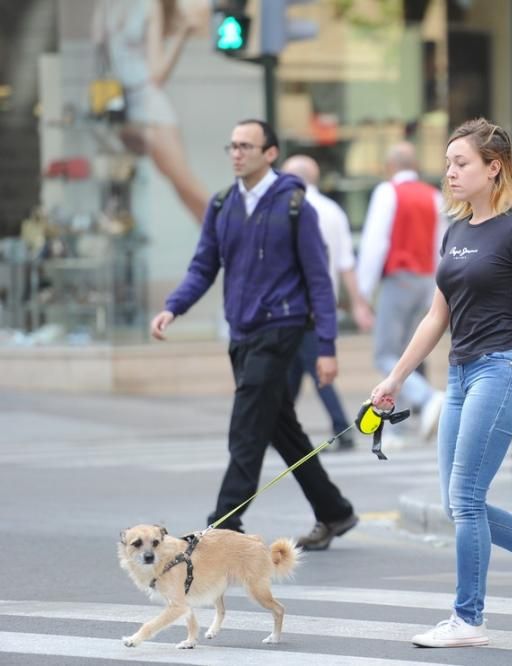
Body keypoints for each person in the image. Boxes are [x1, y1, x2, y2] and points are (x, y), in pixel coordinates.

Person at [369, 119, 512, 648]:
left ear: (494, 167)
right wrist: (394, 378)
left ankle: (469, 618)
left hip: (503, 370)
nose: (451, 173)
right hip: (460, 373)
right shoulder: (455, 230)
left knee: (464, 498)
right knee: (458, 502)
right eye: (448, 164)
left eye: (461, 163)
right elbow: (436, 318)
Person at [149, 119, 358, 550]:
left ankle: (221, 525)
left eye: (246, 146)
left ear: (270, 154)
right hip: (241, 333)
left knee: (246, 427)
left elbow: (320, 281)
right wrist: (174, 306)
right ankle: (335, 512)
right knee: (282, 429)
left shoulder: (296, 205)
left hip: (280, 329)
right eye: (233, 146)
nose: (236, 153)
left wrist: (326, 346)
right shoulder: (223, 204)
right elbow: (203, 266)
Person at [281, 155, 374, 452]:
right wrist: (358, 303)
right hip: (323, 304)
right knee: (294, 370)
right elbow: (347, 264)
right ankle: (277, 427)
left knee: (316, 368)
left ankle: (341, 427)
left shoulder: (291, 210)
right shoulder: (333, 211)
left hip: (296, 305)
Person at [357, 142, 448, 440]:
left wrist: (362, 294)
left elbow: (375, 244)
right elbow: (441, 244)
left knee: (386, 354)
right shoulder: (433, 196)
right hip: (426, 282)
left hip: (399, 279)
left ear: (390, 167)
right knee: (410, 353)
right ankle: (406, 421)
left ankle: (427, 398)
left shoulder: (387, 192)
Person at [92, 0, 209, 222]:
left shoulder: (148, 5)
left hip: (150, 106)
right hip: (125, 108)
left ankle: (243, 236)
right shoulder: (106, 6)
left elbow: (156, 75)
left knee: (186, 186)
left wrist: (182, 33)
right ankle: (226, 247)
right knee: (183, 191)